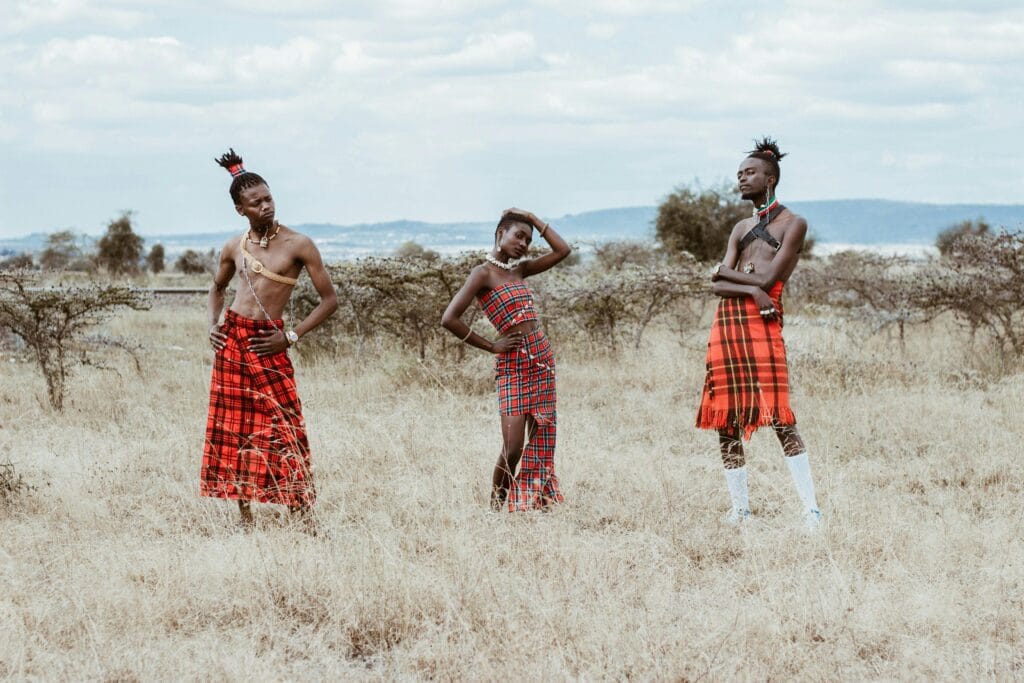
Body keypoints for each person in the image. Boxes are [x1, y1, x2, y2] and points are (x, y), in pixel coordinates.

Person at [202, 148, 337, 529]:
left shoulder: (299, 244)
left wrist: (290, 337)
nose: (265, 206)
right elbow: (216, 288)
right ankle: (244, 516)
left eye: (268, 198)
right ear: (240, 209)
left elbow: (330, 301)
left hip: (270, 341)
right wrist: (214, 325)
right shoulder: (234, 246)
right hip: (233, 342)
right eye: (255, 202)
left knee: (283, 426)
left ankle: (302, 513)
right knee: (234, 430)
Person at [696, 138, 822, 528]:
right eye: (738, 174)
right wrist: (750, 288)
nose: (741, 179)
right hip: (730, 322)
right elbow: (720, 287)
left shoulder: (793, 224)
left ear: (770, 179)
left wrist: (738, 277)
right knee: (726, 418)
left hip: (763, 323)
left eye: (748, 173)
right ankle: (741, 509)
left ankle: (811, 511)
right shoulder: (740, 227)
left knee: (781, 416)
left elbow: (766, 277)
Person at [441, 209, 572, 511]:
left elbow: (562, 250)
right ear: (500, 234)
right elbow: (449, 318)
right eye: (518, 235)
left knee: (542, 435)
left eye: (528, 239)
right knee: (512, 448)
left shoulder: (520, 271)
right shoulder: (482, 274)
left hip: (541, 359)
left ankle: (534, 502)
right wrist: (491, 345)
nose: (524, 243)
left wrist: (533, 218)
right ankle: (496, 508)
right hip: (512, 365)